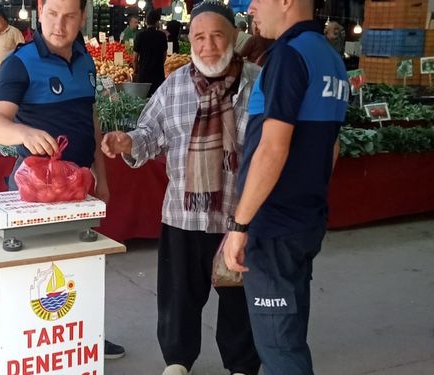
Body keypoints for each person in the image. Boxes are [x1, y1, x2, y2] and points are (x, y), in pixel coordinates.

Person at [101, 2, 262, 375]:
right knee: (178, 297)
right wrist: (127, 141)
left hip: (239, 215)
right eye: (199, 38)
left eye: (217, 36)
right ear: (189, 42)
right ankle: (178, 361)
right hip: (183, 214)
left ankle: (241, 364)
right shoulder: (174, 86)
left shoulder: (258, 83)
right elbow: (149, 134)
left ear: (234, 37)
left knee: (239, 297)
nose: (208, 46)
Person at [0, 0, 126, 361]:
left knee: (82, 266)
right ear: (39, 11)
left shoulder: (86, 61)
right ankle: (26, 348)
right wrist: (23, 131)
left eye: (69, 16)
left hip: (78, 188)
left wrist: (101, 177)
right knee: (35, 270)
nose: (59, 25)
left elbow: (90, 120)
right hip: (34, 190)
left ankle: (88, 336)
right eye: (52, 14)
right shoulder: (20, 62)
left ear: (82, 18)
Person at [222, 0, 348, 373]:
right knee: (289, 336)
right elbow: (333, 147)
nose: (253, 8)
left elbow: (272, 148)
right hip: (304, 222)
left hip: (274, 228)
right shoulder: (330, 58)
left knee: (279, 349)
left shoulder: (288, 56)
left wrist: (240, 226)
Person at [133, 9, 167, 96]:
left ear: (146, 21)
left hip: (144, 74)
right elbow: (164, 56)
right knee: (157, 99)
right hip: (158, 74)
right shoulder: (162, 36)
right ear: (157, 22)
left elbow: (135, 58)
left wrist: (136, 70)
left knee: (143, 100)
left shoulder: (140, 35)